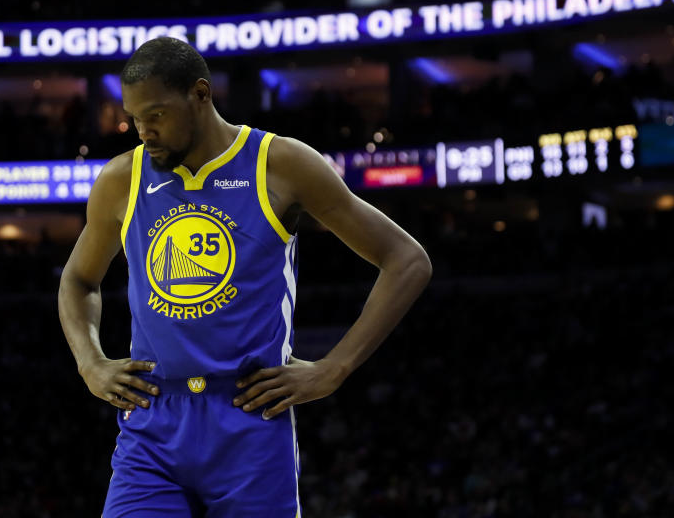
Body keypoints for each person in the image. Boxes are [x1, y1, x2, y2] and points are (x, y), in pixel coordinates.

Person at [58, 37, 432, 517]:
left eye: (155, 115)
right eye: (134, 118)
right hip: (152, 422)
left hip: (249, 418)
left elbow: (406, 259)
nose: (142, 131)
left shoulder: (280, 164)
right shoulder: (121, 179)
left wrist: (334, 368)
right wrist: (91, 363)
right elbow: (77, 281)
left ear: (200, 94)